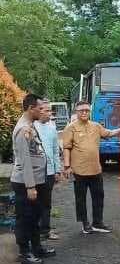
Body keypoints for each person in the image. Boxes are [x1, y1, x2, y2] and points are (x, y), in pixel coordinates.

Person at [10, 93, 56, 264]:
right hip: (25, 182)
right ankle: (24, 252)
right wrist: (30, 186)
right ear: (31, 108)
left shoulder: (30, 125)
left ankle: (36, 248)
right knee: (25, 218)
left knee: (35, 216)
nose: (42, 111)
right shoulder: (23, 129)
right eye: (39, 107)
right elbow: (25, 161)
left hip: (36, 180)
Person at [62, 101, 120, 234]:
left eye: (87, 110)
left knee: (99, 197)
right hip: (79, 171)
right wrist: (67, 166)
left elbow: (109, 133)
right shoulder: (70, 128)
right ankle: (85, 223)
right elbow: (66, 148)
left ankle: (98, 223)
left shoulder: (96, 126)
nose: (84, 112)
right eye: (81, 110)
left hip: (96, 170)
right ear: (76, 112)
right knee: (81, 199)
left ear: (90, 112)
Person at [34, 100, 62, 240]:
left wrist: (57, 170)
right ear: (39, 111)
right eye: (46, 111)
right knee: (34, 203)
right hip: (35, 173)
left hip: (50, 172)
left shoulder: (52, 127)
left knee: (46, 203)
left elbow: (55, 150)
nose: (49, 113)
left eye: (50, 111)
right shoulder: (32, 127)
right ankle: (34, 231)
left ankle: (45, 230)